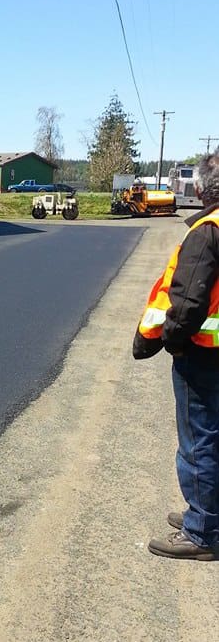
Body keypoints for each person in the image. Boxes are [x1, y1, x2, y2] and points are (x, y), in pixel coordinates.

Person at [133, 153, 219, 561]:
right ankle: (209, 514)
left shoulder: (207, 232)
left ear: (201, 189)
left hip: (204, 356)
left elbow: (185, 305)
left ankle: (202, 530)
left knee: (198, 441)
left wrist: (171, 341)